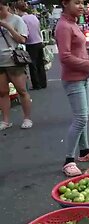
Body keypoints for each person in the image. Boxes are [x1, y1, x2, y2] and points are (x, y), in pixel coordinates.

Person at [55, 0, 89, 176]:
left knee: (83, 118)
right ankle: (68, 161)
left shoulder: (73, 23)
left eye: (82, 3)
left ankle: (84, 152)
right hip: (73, 79)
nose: (81, 6)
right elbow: (65, 57)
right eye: (76, 3)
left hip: (83, 77)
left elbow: (80, 51)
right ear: (64, 3)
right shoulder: (63, 26)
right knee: (80, 118)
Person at [0, 0, 32, 131]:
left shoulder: (17, 20)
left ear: (7, 7)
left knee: (21, 90)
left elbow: (22, 39)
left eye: (1, 8)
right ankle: (6, 120)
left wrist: (7, 27)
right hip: (0, 62)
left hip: (14, 60)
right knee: (2, 92)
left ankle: (27, 118)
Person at [17, 1, 47, 90]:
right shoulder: (34, 17)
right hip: (39, 41)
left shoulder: (22, 19)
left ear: (17, 9)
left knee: (32, 65)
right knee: (40, 64)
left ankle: (36, 84)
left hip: (30, 43)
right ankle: (43, 82)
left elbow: (24, 32)